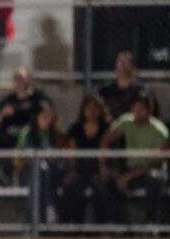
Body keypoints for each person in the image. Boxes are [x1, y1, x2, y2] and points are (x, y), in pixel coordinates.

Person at [98, 91, 169, 223]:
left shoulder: (160, 131)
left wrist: (129, 176)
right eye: (135, 109)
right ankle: (116, 224)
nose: (137, 113)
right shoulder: (126, 122)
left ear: (150, 110)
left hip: (149, 171)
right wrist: (104, 166)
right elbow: (106, 141)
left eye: (141, 109)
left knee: (154, 180)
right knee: (104, 182)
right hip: (129, 169)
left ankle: (151, 223)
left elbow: (156, 164)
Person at [60, 95, 109, 223]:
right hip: (79, 168)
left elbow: (107, 150)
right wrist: (71, 171)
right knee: (73, 187)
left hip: (98, 169)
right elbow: (69, 151)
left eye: (95, 108)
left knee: (100, 187)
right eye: (88, 107)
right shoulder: (76, 128)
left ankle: (101, 225)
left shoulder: (107, 129)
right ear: (83, 110)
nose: (92, 111)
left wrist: (103, 168)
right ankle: (74, 224)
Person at [15, 101, 62, 223]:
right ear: (36, 117)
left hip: (51, 174)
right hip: (27, 172)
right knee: (38, 176)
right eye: (44, 117)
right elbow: (23, 157)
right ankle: (47, 207)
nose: (48, 121)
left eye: (50, 117)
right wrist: (40, 160)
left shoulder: (54, 134)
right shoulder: (26, 133)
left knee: (42, 176)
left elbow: (58, 157)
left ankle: (36, 221)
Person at [99, 52, 159, 120]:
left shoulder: (143, 92)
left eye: (125, 63)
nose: (121, 66)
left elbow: (151, 115)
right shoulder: (106, 91)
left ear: (133, 68)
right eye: (119, 63)